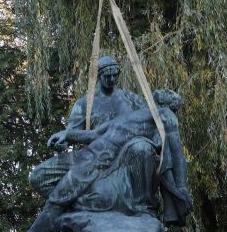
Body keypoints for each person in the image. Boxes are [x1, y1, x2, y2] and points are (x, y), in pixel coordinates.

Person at [0, 89, 191, 232]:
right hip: (90, 155)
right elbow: (94, 134)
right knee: (55, 192)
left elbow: (176, 153)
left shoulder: (166, 115)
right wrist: (67, 134)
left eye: (169, 92)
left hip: (101, 160)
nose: (162, 89)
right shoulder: (138, 113)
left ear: (169, 103)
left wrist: (181, 186)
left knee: (58, 198)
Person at [28, 56, 146, 198]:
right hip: (92, 154)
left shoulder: (130, 98)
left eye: (115, 75)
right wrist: (62, 143)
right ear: (98, 76)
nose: (113, 79)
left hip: (125, 152)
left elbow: (151, 117)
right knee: (38, 176)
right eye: (108, 76)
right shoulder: (84, 104)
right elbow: (72, 133)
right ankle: (78, 205)